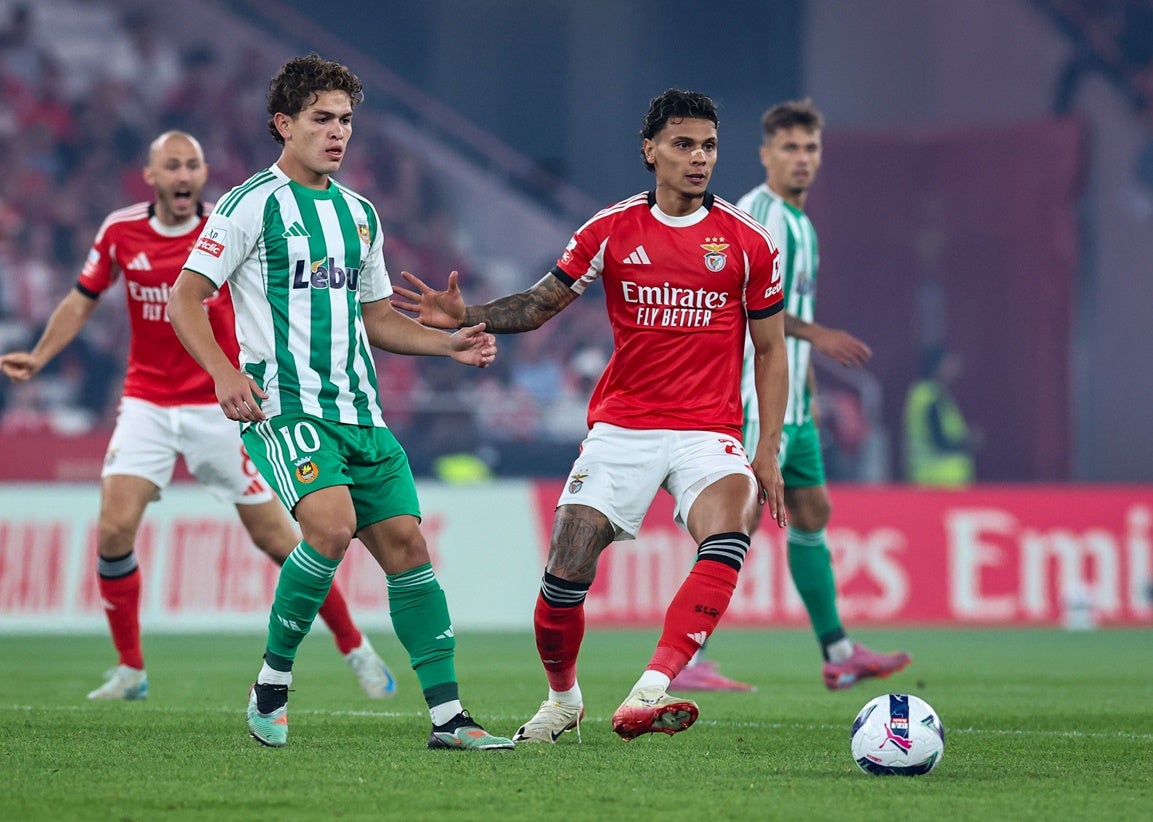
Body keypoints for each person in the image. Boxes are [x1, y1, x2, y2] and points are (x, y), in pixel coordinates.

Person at [393, 88, 790, 744]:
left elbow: (771, 349)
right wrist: (467, 315)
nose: (698, 158)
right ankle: (562, 700)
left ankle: (650, 687)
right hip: (623, 428)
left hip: (707, 430)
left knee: (731, 525)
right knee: (565, 566)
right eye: (683, 144)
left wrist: (765, 445)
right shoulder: (610, 230)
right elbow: (540, 304)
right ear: (649, 150)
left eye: (709, 146)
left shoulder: (748, 243)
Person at [166, 54, 513, 751]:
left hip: (361, 412)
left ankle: (448, 718)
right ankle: (271, 681)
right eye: (321, 119)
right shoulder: (248, 205)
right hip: (286, 406)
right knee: (329, 527)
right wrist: (223, 372)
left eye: (346, 120)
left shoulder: (359, 215)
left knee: (408, 547)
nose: (337, 133)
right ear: (283, 124)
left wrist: (446, 346)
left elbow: (376, 317)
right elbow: (185, 298)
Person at [0, 130, 396, 703]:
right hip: (147, 402)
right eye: (172, 167)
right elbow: (83, 297)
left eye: (192, 166)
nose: (184, 176)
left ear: (203, 174)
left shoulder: (232, 224)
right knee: (112, 528)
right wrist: (38, 356)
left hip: (222, 404)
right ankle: (130, 669)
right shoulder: (120, 231)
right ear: (152, 176)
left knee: (284, 541)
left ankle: (354, 645)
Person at [672, 99, 911, 694]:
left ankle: (837, 653)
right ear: (765, 154)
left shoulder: (803, 225)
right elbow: (758, 314)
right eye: (789, 148)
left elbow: (785, 323)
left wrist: (806, 390)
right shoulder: (759, 217)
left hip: (795, 410)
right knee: (736, 523)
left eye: (809, 149)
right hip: (754, 406)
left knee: (812, 512)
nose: (801, 159)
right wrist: (819, 335)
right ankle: (687, 658)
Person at [903, 345, 977, 486]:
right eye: (950, 363)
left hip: (935, 478)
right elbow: (938, 439)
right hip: (939, 479)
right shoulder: (929, 397)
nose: (956, 368)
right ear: (938, 366)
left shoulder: (927, 394)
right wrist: (967, 442)